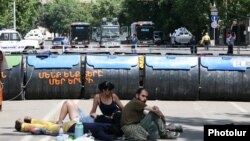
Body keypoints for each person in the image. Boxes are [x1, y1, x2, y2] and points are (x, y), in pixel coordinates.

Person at [57, 81, 124, 125]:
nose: (111, 91)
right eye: (109, 90)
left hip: (110, 120)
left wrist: (116, 115)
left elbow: (123, 109)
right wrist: (95, 115)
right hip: (101, 119)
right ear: (104, 90)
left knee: (68, 103)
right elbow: (92, 112)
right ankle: (60, 122)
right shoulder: (97, 97)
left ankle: (59, 123)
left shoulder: (113, 96)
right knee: (68, 102)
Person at [14, 117, 119, 141]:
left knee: (51, 124)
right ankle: (23, 126)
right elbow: (107, 138)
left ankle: (32, 120)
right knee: (49, 128)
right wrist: (118, 136)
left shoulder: (103, 125)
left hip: (74, 123)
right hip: (71, 128)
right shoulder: (100, 132)